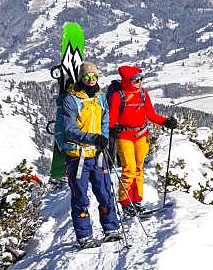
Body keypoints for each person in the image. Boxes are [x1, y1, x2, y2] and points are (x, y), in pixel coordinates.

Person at [55, 62, 121, 248]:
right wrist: (94, 138)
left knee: (105, 192)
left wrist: (104, 140)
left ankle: (111, 228)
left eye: (94, 77)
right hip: (78, 156)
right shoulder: (71, 100)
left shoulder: (100, 98)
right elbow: (69, 130)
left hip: (98, 154)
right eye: (87, 77)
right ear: (80, 78)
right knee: (80, 197)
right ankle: (84, 236)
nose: (91, 80)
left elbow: (105, 120)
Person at [108, 65, 178, 217]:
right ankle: (125, 203)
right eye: (135, 80)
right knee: (129, 169)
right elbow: (112, 119)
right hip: (124, 137)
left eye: (141, 78)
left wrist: (166, 122)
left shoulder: (143, 94)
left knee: (139, 168)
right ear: (127, 80)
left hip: (141, 135)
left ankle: (136, 201)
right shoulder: (118, 96)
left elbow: (151, 115)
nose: (139, 81)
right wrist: (113, 129)